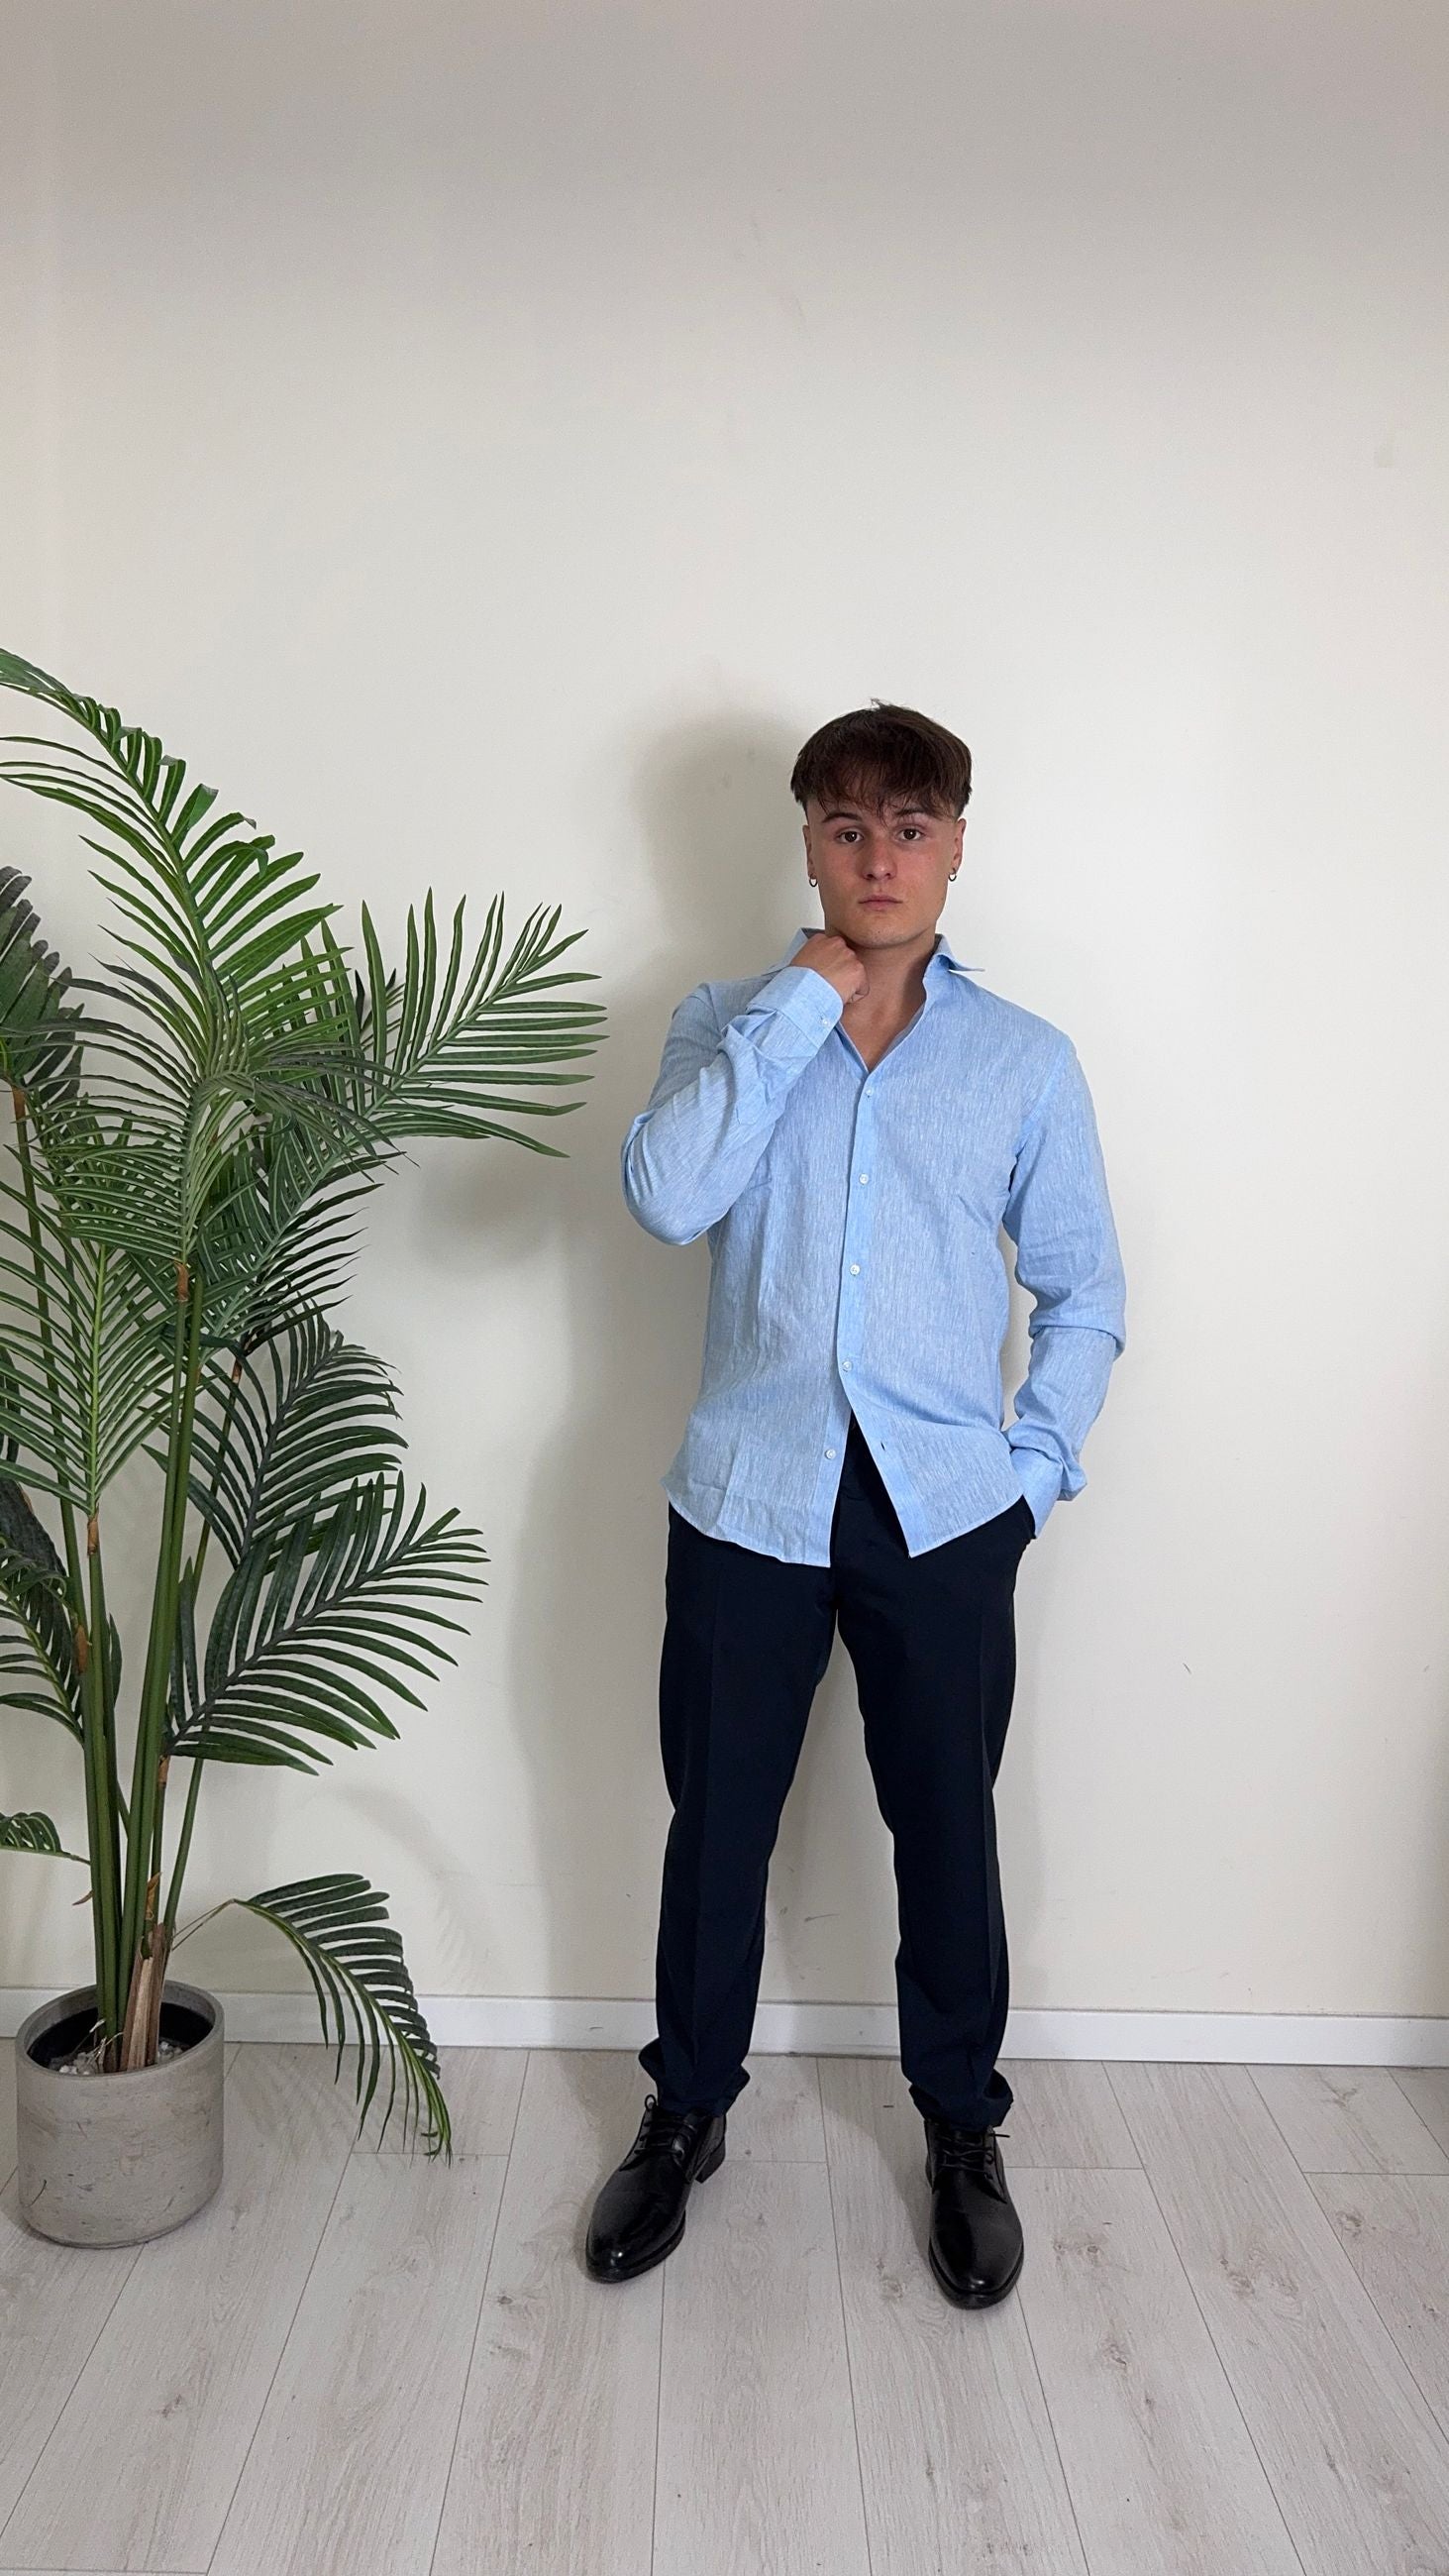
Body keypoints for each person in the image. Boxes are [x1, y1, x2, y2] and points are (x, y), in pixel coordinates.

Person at [587, 700, 1126, 2306]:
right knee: (717, 1829)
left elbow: (1086, 1293)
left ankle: (961, 2128)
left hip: (942, 1514)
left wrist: (1026, 1480)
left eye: (909, 827)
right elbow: (665, 1197)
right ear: (809, 845)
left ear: (955, 846)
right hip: (748, 1499)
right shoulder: (724, 1021)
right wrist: (797, 1010)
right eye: (847, 828)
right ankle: (687, 2112)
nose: (879, 858)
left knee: (947, 1831)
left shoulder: (1025, 1061)